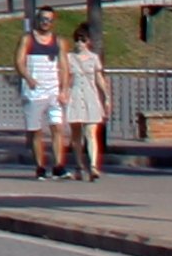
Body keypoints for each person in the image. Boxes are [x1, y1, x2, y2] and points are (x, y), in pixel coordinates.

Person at [17, 16, 66, 179]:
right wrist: (29, 78)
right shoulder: (27, 39)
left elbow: (64, 66)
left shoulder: (58, 41)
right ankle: (40, 166)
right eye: (43, 19)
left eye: (49, 20)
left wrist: (64, 89)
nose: (46, 22)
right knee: (36, 131)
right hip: (35, 92)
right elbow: (19, 61)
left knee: (57, 127)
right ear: (37, 20)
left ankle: (59, 166)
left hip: (53, 91)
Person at [63, 24, 112, 180]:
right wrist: (63, 93)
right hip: (75, 96)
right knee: (76, 134)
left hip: (90, 97)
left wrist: (107, 97)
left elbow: (99, 78)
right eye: (77, 40)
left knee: (91, 132)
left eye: (82, 40)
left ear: (88, 42)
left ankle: (93, 166)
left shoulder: (93, 58)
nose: (79, 43)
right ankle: (78, 165)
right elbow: (66, 79)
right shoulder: (68, 58)